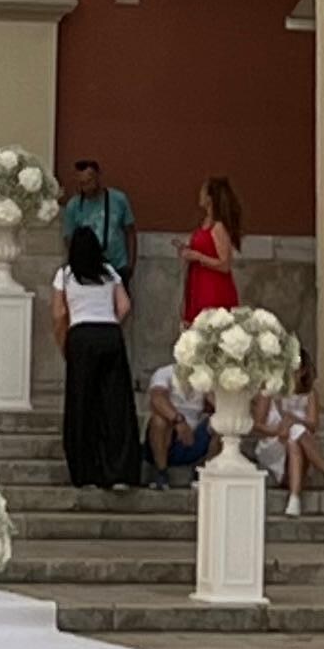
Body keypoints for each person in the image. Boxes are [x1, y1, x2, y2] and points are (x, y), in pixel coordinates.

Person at [51, 222, 141, 494]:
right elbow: (125, 305)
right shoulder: (110, 272)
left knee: (82, 403)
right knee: (115, 404)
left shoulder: (65, 275)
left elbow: (58, 313)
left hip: (81, 335)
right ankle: (119, 472)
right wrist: (111, 322)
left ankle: (86, 471)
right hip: (110, 334)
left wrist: (64, 342)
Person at [257, 354, 324, 517]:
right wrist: (277, 431)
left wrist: (294, 419)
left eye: (296, 370)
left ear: (303, 371)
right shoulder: (270, 390)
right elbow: (257, 425)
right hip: (272, 443)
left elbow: (313, 425)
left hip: (296, 442)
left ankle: (294, 498)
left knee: (295, 437)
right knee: (296, 433)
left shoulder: (310, 394)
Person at [63, 155, 135, 297]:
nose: (86, 187)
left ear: (98, 176)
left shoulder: (118, 199)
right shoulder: (74, 205)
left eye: (89, 181)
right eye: (82, 183)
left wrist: (130, 264)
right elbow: (69, 239)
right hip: (88, 270)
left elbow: (130, 232)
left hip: (117, 264)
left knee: (121, 307)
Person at [180, 175, 244, 325]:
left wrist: (199, 257)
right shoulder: (205, 223)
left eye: (203, 191)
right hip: (197, 283)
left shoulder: (219, 227)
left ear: (210, 198)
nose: (199, 195)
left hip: (213, 287)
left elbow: (225, 264)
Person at [145, 357, 214, 489]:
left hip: (194, 436)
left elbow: (217, 405)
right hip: (170, 433)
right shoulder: (165, 373)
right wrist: (178, 421)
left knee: (220, 423)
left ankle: (203, 473)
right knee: (159, 421)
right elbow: (157, 398)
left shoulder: (204, 377)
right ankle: (161, 473)